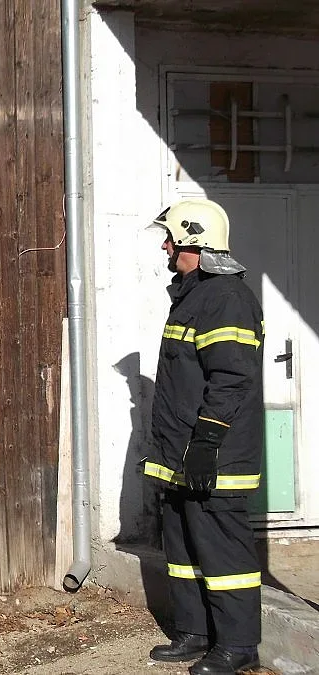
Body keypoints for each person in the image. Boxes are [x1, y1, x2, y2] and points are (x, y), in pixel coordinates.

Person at [144, 199, 264, 675]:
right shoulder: (194, 297)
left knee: (222, 550)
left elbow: (231, 379)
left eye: (172, 239)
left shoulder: (226, 299)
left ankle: (238, 646)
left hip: (213, 456)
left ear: (197, 242)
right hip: (180, 454)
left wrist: (206, 445)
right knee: (184, 548)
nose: (165, 247)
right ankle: (194, 631)